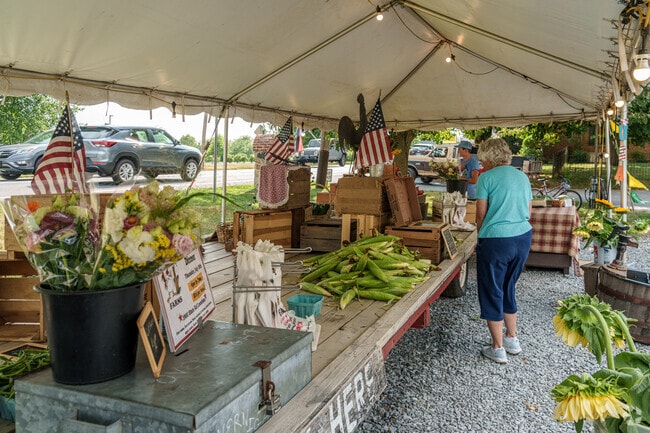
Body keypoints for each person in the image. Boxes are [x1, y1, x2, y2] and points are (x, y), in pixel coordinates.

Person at [474, 138, 532, 364]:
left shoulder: (486, 178)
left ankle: (497, 348)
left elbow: (480, 214)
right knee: (509, 286)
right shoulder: (522, 176)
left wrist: (481, 236)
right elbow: (528, 211)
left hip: (496, 240)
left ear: (489, 158)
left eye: (482, 160)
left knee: (492, 289)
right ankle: (512, 339)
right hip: (522, 237)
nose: (482, 164)